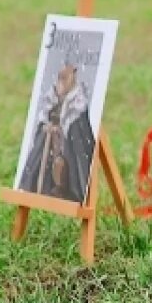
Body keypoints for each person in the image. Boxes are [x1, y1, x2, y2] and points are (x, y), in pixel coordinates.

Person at [18, 63, 96, 203]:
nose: (62, 83)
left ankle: (68, 189)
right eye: (61, 79)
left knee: (62, 164)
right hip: (50, 145)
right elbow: (45, 120)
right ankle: (37, 186)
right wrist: (47, 126)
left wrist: (61, 130)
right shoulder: (52, 98)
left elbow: (78, 135)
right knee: (41, 154)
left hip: (65, 150)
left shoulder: (77, 105)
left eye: (65, 79)